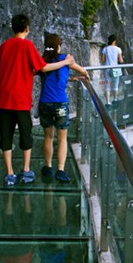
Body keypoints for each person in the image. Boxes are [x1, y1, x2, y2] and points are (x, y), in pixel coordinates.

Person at [0, 14, 74, 187]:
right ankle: (26, 170)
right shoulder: (27, 45)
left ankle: (9, 173)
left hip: (3, 99)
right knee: (26, 135)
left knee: (6, 136)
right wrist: (65, 62)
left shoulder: (3, 46)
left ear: (12, 27)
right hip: (21, 99)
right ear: (27, 28)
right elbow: (43, 67)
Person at [39, 33, 89, 183]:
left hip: (45, 103)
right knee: (62, 139)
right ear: (58, 46)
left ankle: (48, 167)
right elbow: (82, 70)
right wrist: (85, 75)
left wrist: (70, 78)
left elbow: (50, 76)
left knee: (48, 136)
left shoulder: (43, 61)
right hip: (60, 103)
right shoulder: (65, 59)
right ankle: (60, 169)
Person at [101, 34, 124, 106]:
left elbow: (103, 60)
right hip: (116, 69)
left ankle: (108, 102)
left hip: (107, 68)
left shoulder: (105, 49)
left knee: (107, 85)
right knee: (115, 85)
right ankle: (115, 99)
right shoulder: (118, 49)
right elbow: (121, 61)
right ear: (115, 41)